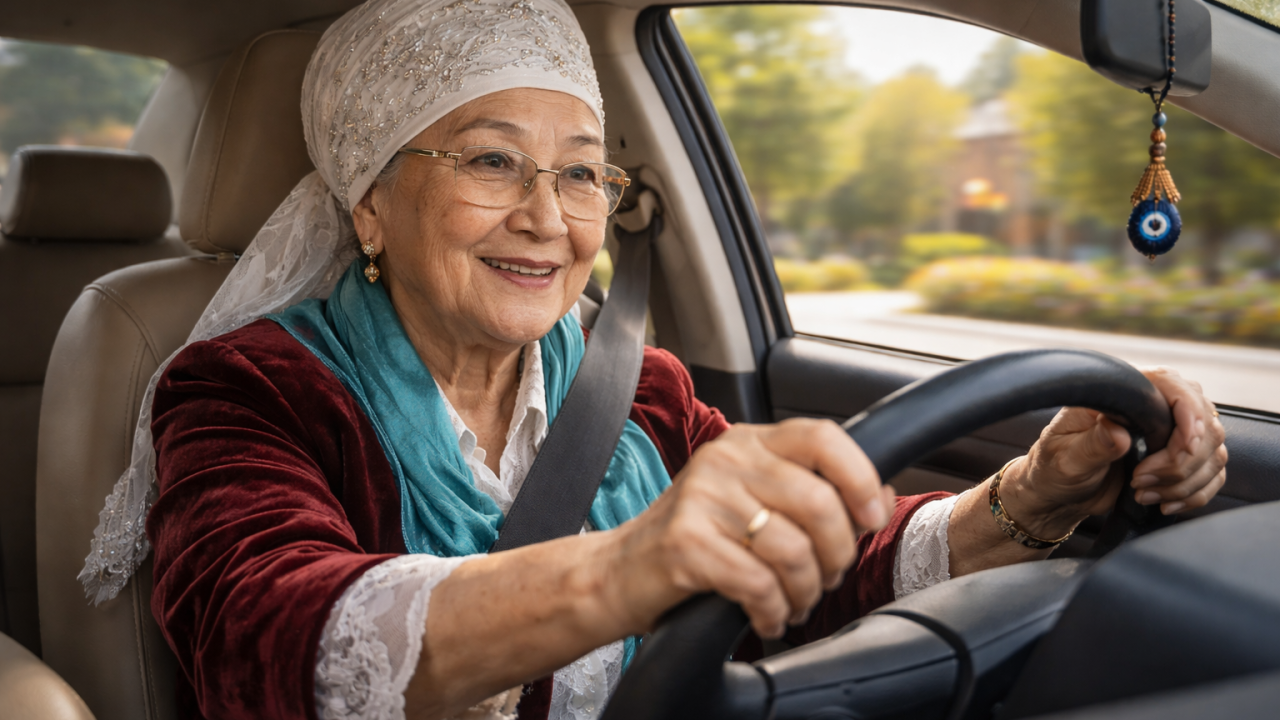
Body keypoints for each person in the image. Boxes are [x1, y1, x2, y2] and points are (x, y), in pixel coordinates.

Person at [78, 0, 1229, 718]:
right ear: (370, 205)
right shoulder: (245, 388)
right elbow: (269, 643)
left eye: (582, 170)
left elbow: (832, 564)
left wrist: (1032, 493)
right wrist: (634, 565)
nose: (549, 217)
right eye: (491, 160)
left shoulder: (636, 384)